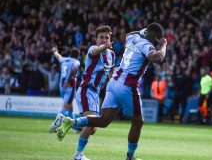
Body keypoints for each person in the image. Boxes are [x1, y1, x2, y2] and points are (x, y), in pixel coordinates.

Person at [56, 22, 167, 160]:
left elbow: (128, 34)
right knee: (138, 122)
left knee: (103, 121)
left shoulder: (133, 38)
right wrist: (163, 45)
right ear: (156, 38)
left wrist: (143, 31)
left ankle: (72, 122)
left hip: (113, 83)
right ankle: (130, 156)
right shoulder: (147, 45)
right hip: (127, 86)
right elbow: (158, 58)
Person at [73, 25, 115, 160]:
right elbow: (96, 50)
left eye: (107, 37)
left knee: (94, 128)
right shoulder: (93, 49)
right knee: (91, 124)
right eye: (101, 37)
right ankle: (78, 155)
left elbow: (111, 74)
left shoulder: (112, 55)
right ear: (96, 39)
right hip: (86, 90)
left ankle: (69, 122)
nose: (104, 40)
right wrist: (105, 46)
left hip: (96, 94)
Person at [49, 46, 80, 133]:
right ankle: (55, 125)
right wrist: (68, 80)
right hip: (69, 86)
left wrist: (55, 51)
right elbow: (74, 68)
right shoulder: (76, 61)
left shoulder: (64, 60)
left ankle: (74, 127)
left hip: (61, 86)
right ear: (78, 56)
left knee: (70, 107)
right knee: (66, 107)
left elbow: (58, 56)